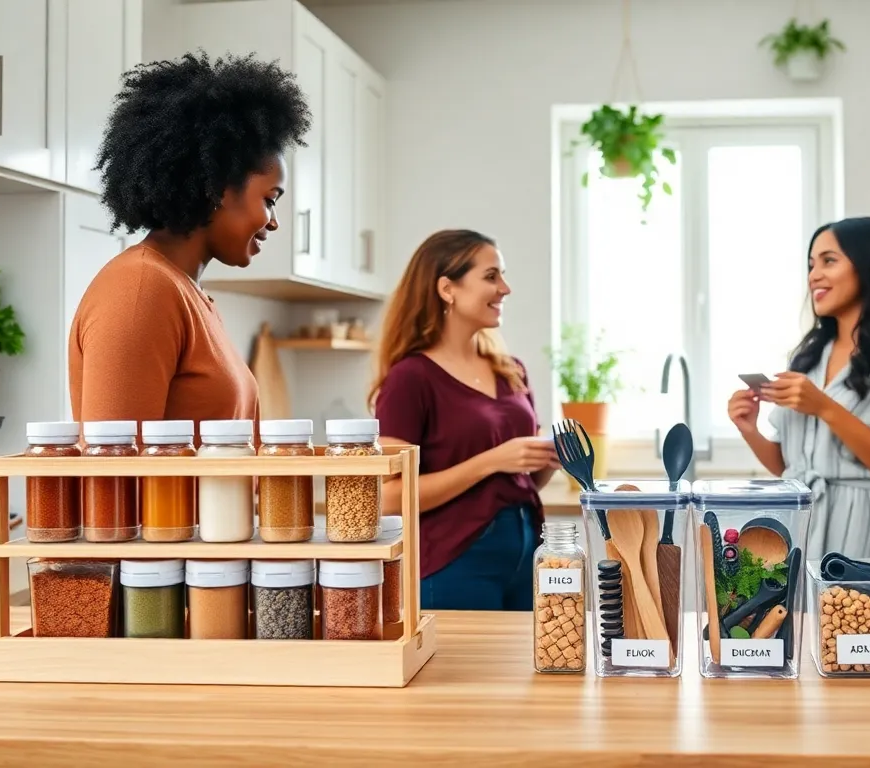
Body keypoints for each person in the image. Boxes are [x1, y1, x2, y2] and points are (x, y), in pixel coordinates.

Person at [68, 52, 311, 428]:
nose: (274, 222)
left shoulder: (186, 293)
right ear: (215, 189)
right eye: (269, 200)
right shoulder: (140, 288)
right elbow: (113, 474)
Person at [728, 216, 870, 564]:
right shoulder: (810, 354)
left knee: (868, 620)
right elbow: (791, 465)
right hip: (805, 532)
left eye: (829, 261)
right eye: (811, 265)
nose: (813, 275)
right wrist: (749, 429)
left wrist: (825, 407)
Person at [370, 229, 559, 611]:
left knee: (526, 670)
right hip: (455, 564)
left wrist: (550, 459)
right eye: (491, 276)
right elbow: (389, 497)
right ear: (447, 288)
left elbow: (519, 481)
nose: (505, 288)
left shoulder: (511, 371)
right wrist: (493, 461)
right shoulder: (411, 379)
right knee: (463, 671)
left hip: (527, 554)